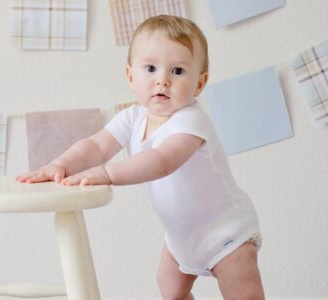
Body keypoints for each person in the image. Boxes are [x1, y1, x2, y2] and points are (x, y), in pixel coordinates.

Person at [16, 15, 265, 300]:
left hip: (226, 232)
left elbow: (163, 161)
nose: (163, 80)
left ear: (199, 83)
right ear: (131, 75)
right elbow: (95, 147)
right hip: (181, 238)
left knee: (242, 293)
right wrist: (61, 164)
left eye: (179, 71)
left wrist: (108, 174)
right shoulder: (132, 118)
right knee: (170, 291)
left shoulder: (191, 122)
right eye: (150, 68)